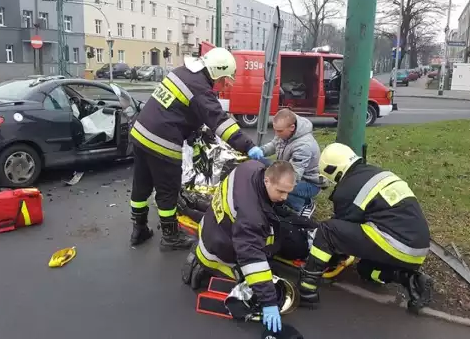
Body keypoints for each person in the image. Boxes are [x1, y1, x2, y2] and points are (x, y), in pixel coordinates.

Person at [128, 47, 264, 251]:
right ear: (217, 71)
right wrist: (248, 146)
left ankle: (138, 230)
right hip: (161, 142)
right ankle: (170, 237)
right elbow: (220, 122)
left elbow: (176, 110)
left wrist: (192, 133)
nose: (221, 85)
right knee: (168, 191)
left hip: (140, 134)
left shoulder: (181, 72)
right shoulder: (199, 87)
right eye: (223, 79)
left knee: (141, 185)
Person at [297, 143, 433, 313]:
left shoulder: (346, 189)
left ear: (333, 170)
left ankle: (307, 287)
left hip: (392, 242)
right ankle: (410, 279)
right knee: (365, 270)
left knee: (327, 230)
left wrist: (326, 259)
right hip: (417, 250)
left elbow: (339, 236)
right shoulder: (377, 173)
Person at [182, 160, 297, 333]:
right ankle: (202, 262)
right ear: (267, 180)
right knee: (246, 285)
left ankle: (187, 210)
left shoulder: (250, 167)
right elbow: (251, 258)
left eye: (288, 192)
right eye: (280, 191)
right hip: (218, 251)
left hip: (213, 224)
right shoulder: (252, 215)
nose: (284, 197)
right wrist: (269, 302)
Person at [260, 109, 326, 213]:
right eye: (275, 130)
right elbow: (273, 144)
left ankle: (304, 205)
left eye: (279, 131)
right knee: (263, 166)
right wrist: (261, 151)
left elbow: (294, 177)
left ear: (292, 127)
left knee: (276, 185)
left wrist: (273, 180)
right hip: (290, 170)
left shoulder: (303, 146)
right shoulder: (284, 132)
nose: (276, 134)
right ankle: (296, 201)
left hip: (309, 183)